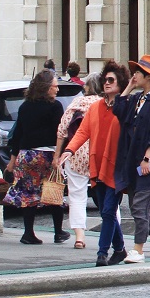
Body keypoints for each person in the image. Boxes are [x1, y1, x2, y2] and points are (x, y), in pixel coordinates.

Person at [60, 61, 127, 266]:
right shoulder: (96, 107)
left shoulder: (125, 106)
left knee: (107, 211)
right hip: (96, 166)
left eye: (111, 80)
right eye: (104, 79)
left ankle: (101, 253)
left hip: (117, 167)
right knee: (106, 210)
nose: (106, 83)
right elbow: (83, 131)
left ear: (120, 84)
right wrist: (69, 150)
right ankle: (121, 248)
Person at [113, 55, 150, 264]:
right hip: (132, 160)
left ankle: (138, 249)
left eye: (138, 72)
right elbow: (118, 112)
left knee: (138, 206)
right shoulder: (137, 99)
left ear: (149, 76)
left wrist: (147, 157)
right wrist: (128, 88)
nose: (134, 75)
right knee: (138, 206)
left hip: (149, 163)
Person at [2, 70, 66, 244]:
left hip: (26, 155)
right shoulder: (55, 106)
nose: (57, 90)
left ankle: (28, 233)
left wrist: (12, 162)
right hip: (47, 154)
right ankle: (58, 232)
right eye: (55, 86)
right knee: (53, 190)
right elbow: (59, 133)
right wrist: (59, 156)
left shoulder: (25, 107)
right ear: (46, 87)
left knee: (28, 193)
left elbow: (18, 135)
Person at [54, 73, 101, 249]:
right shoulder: (105, 104)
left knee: (77, 195)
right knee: (108, 194)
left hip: (76, 153)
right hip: (99, 152)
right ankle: (113, 232)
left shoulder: (77, 103)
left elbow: (62, 130)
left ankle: (80, 236)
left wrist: (58, 154)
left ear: (87, 87)